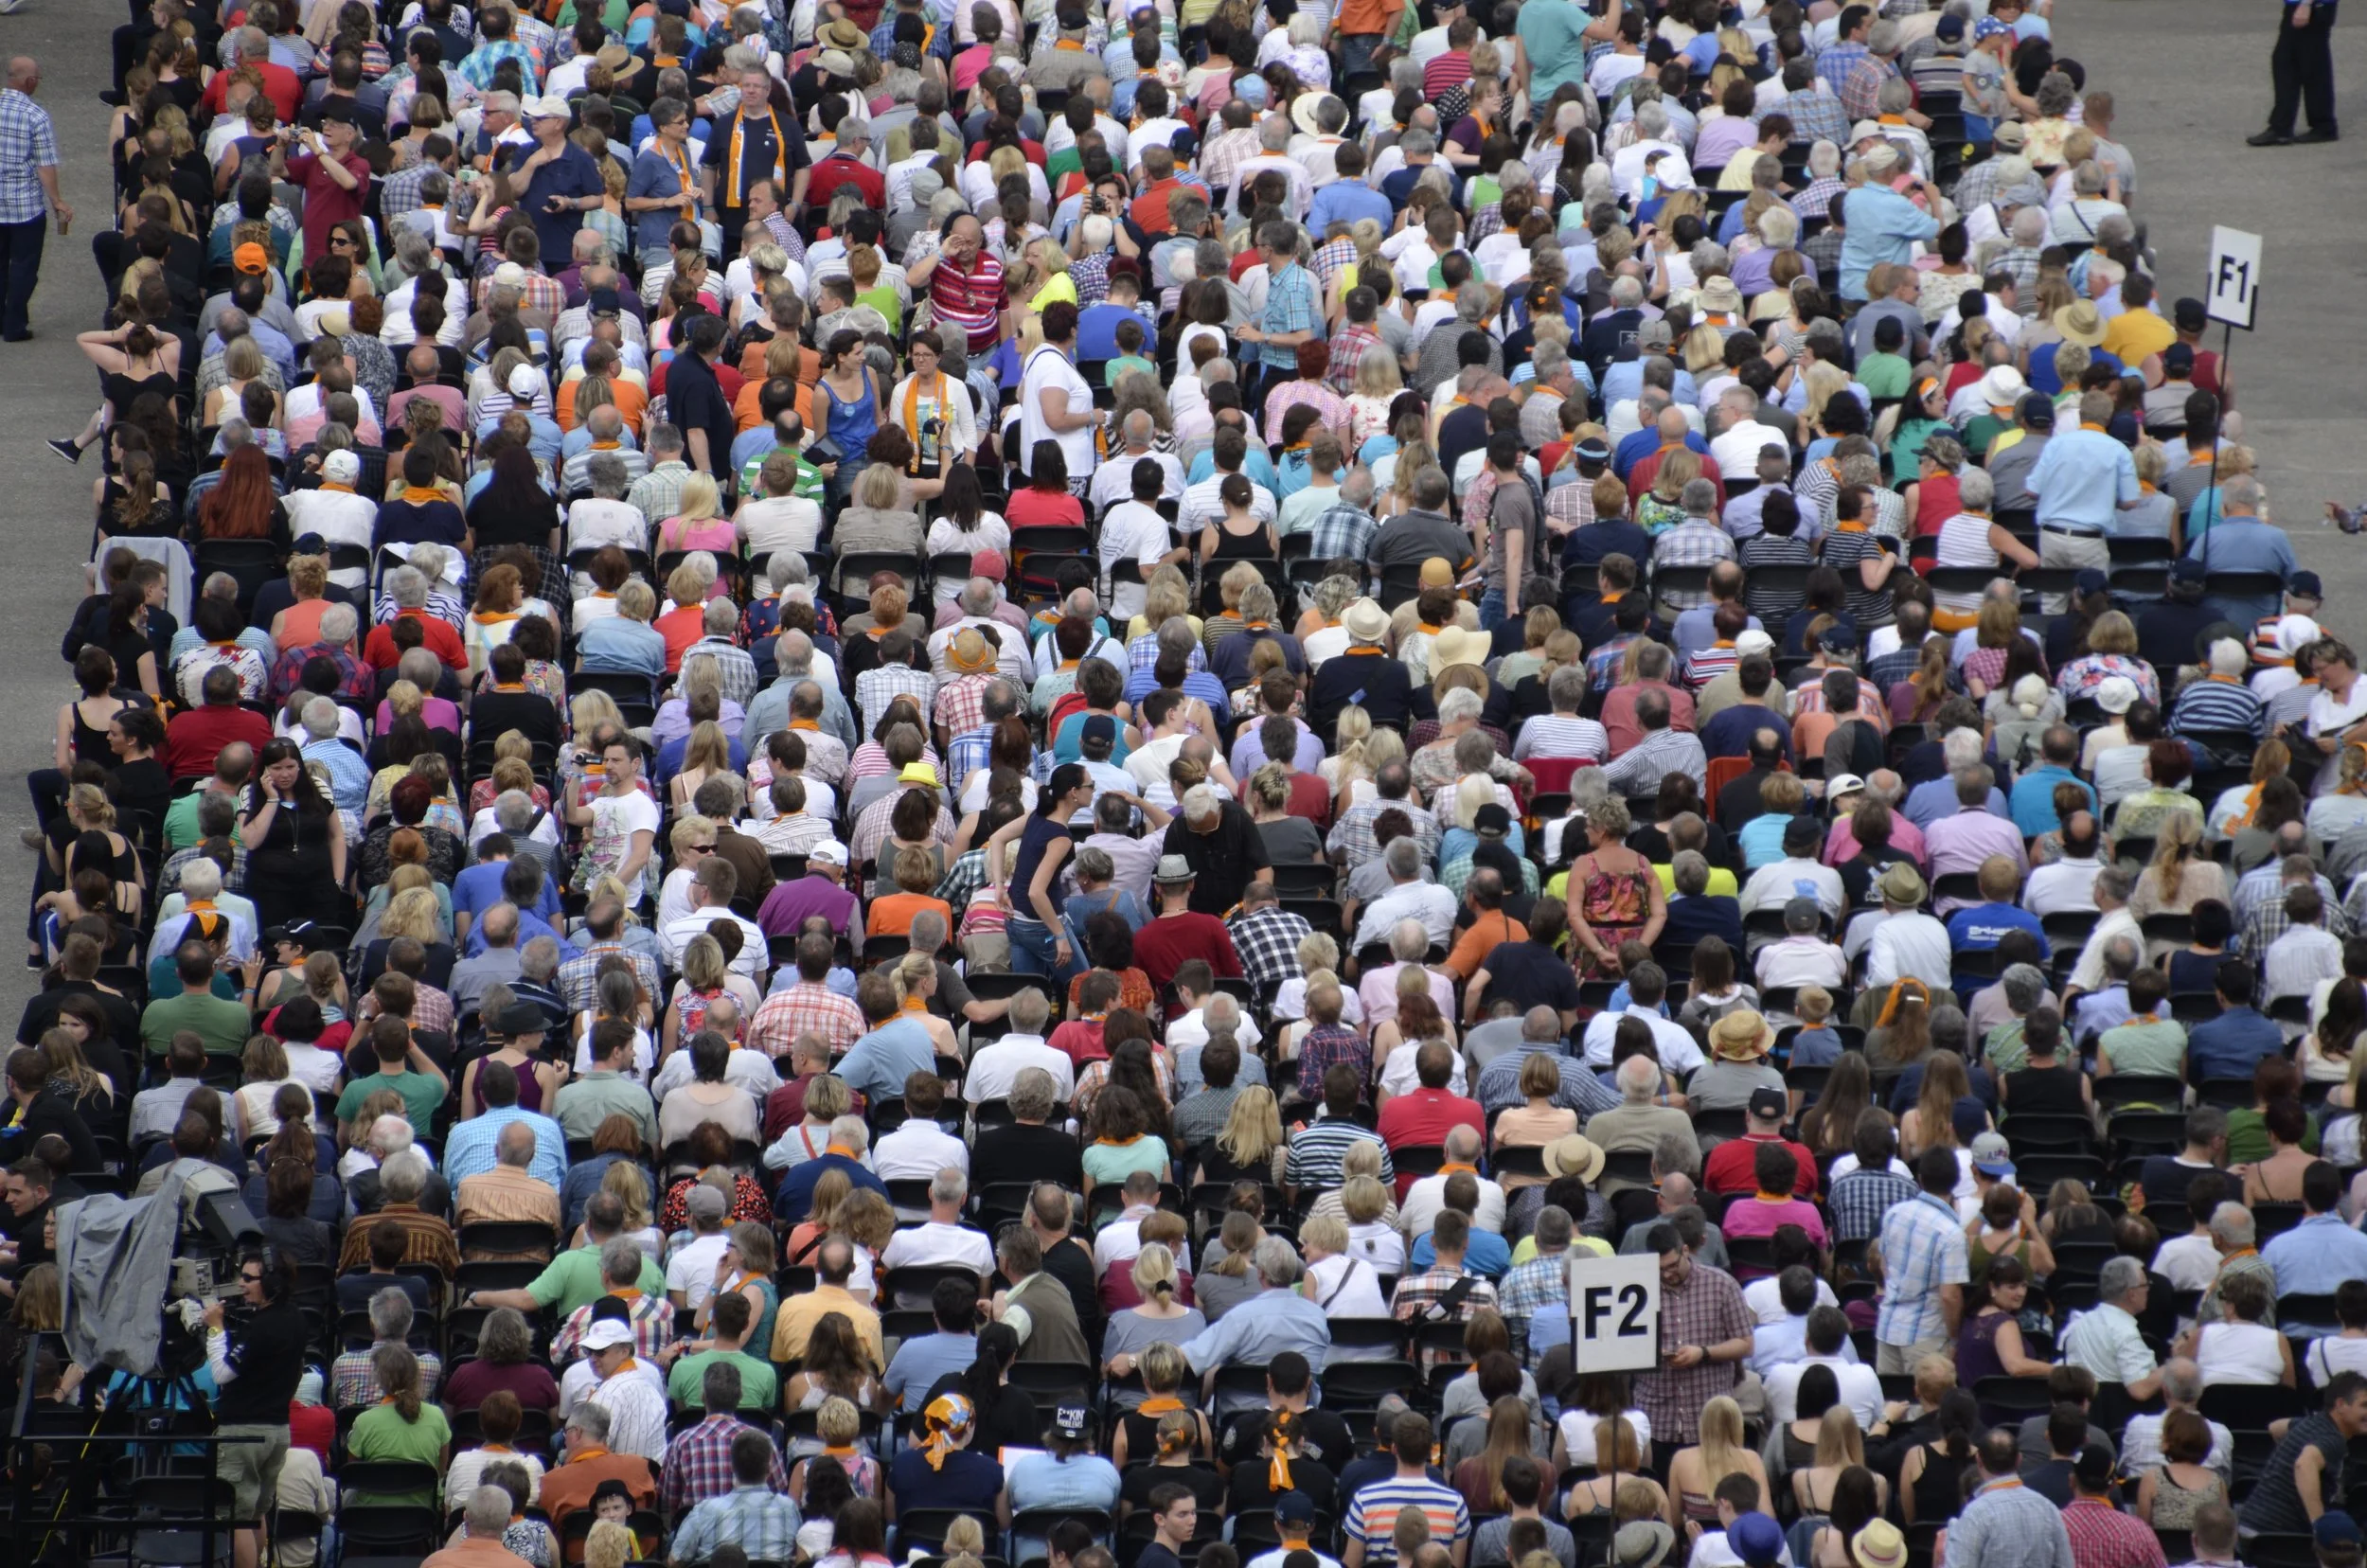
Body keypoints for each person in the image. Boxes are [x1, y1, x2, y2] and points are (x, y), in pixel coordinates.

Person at [0, 58, 65, 344]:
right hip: (24, 208)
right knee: (24, 267)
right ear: (29, 82)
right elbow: (45, 165)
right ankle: (14, 324)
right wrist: (57, 201)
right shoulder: (36, 116)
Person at [2250, 0, 2340, 146]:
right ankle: (2284, 127)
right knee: (2290, 63)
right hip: (2299, 6)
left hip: (2312, 7)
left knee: (2310, 66)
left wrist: (2305, 4)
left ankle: (2321, 126)